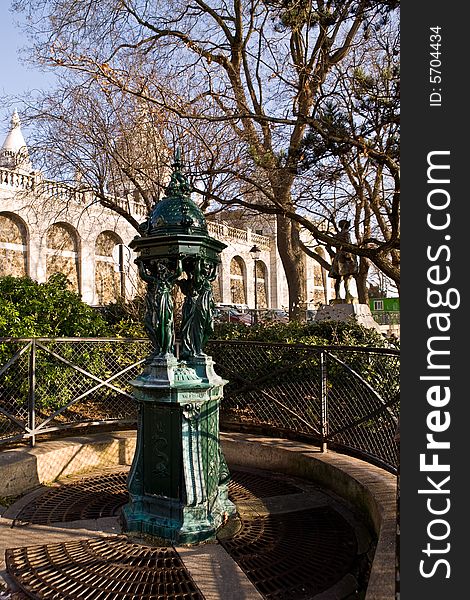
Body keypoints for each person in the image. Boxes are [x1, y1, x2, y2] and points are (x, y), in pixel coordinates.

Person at [138, 258, 182, 357]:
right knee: (154, 325)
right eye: (158, 267)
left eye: (161, 267)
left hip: (165, 303)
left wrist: (179, 260)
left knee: (165, 325)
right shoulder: (155, 280)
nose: (159, 268)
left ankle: (166, 350)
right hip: (157, 304)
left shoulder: (168, 280)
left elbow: (178, 273)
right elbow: (144, 275)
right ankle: (159, 348)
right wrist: (140, 264)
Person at [329, 220, 358, 301]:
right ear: (345, 225)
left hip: (338, 258)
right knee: (347, 277)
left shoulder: (336, 236)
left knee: (338, 278)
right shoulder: (346, 234)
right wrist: (349, 257)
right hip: (345, 258)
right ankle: (347, 295)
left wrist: (333, 254)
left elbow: (328, 247)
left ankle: (338, 295)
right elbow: (347, 245)